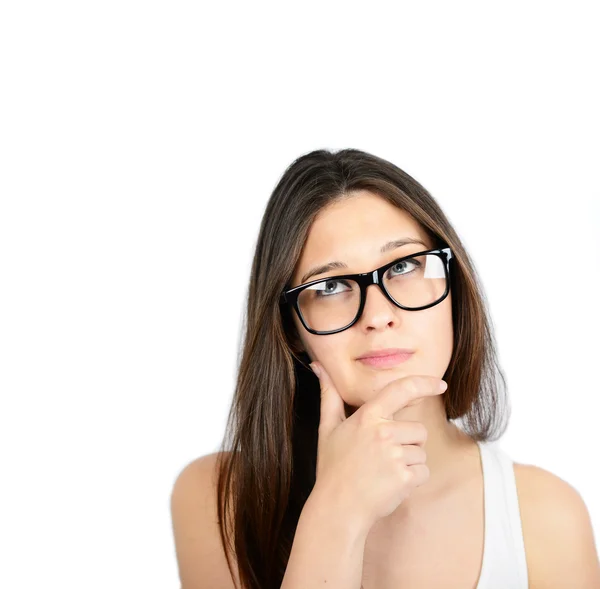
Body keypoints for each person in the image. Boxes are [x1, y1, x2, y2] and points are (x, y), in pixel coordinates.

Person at [170, 148, 600, 589]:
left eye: (404, 265)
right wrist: (336, 512)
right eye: (331, 285)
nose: (377, 315)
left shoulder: (546, 518)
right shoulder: (218, 498)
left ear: (454, 285)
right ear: (293, 329)